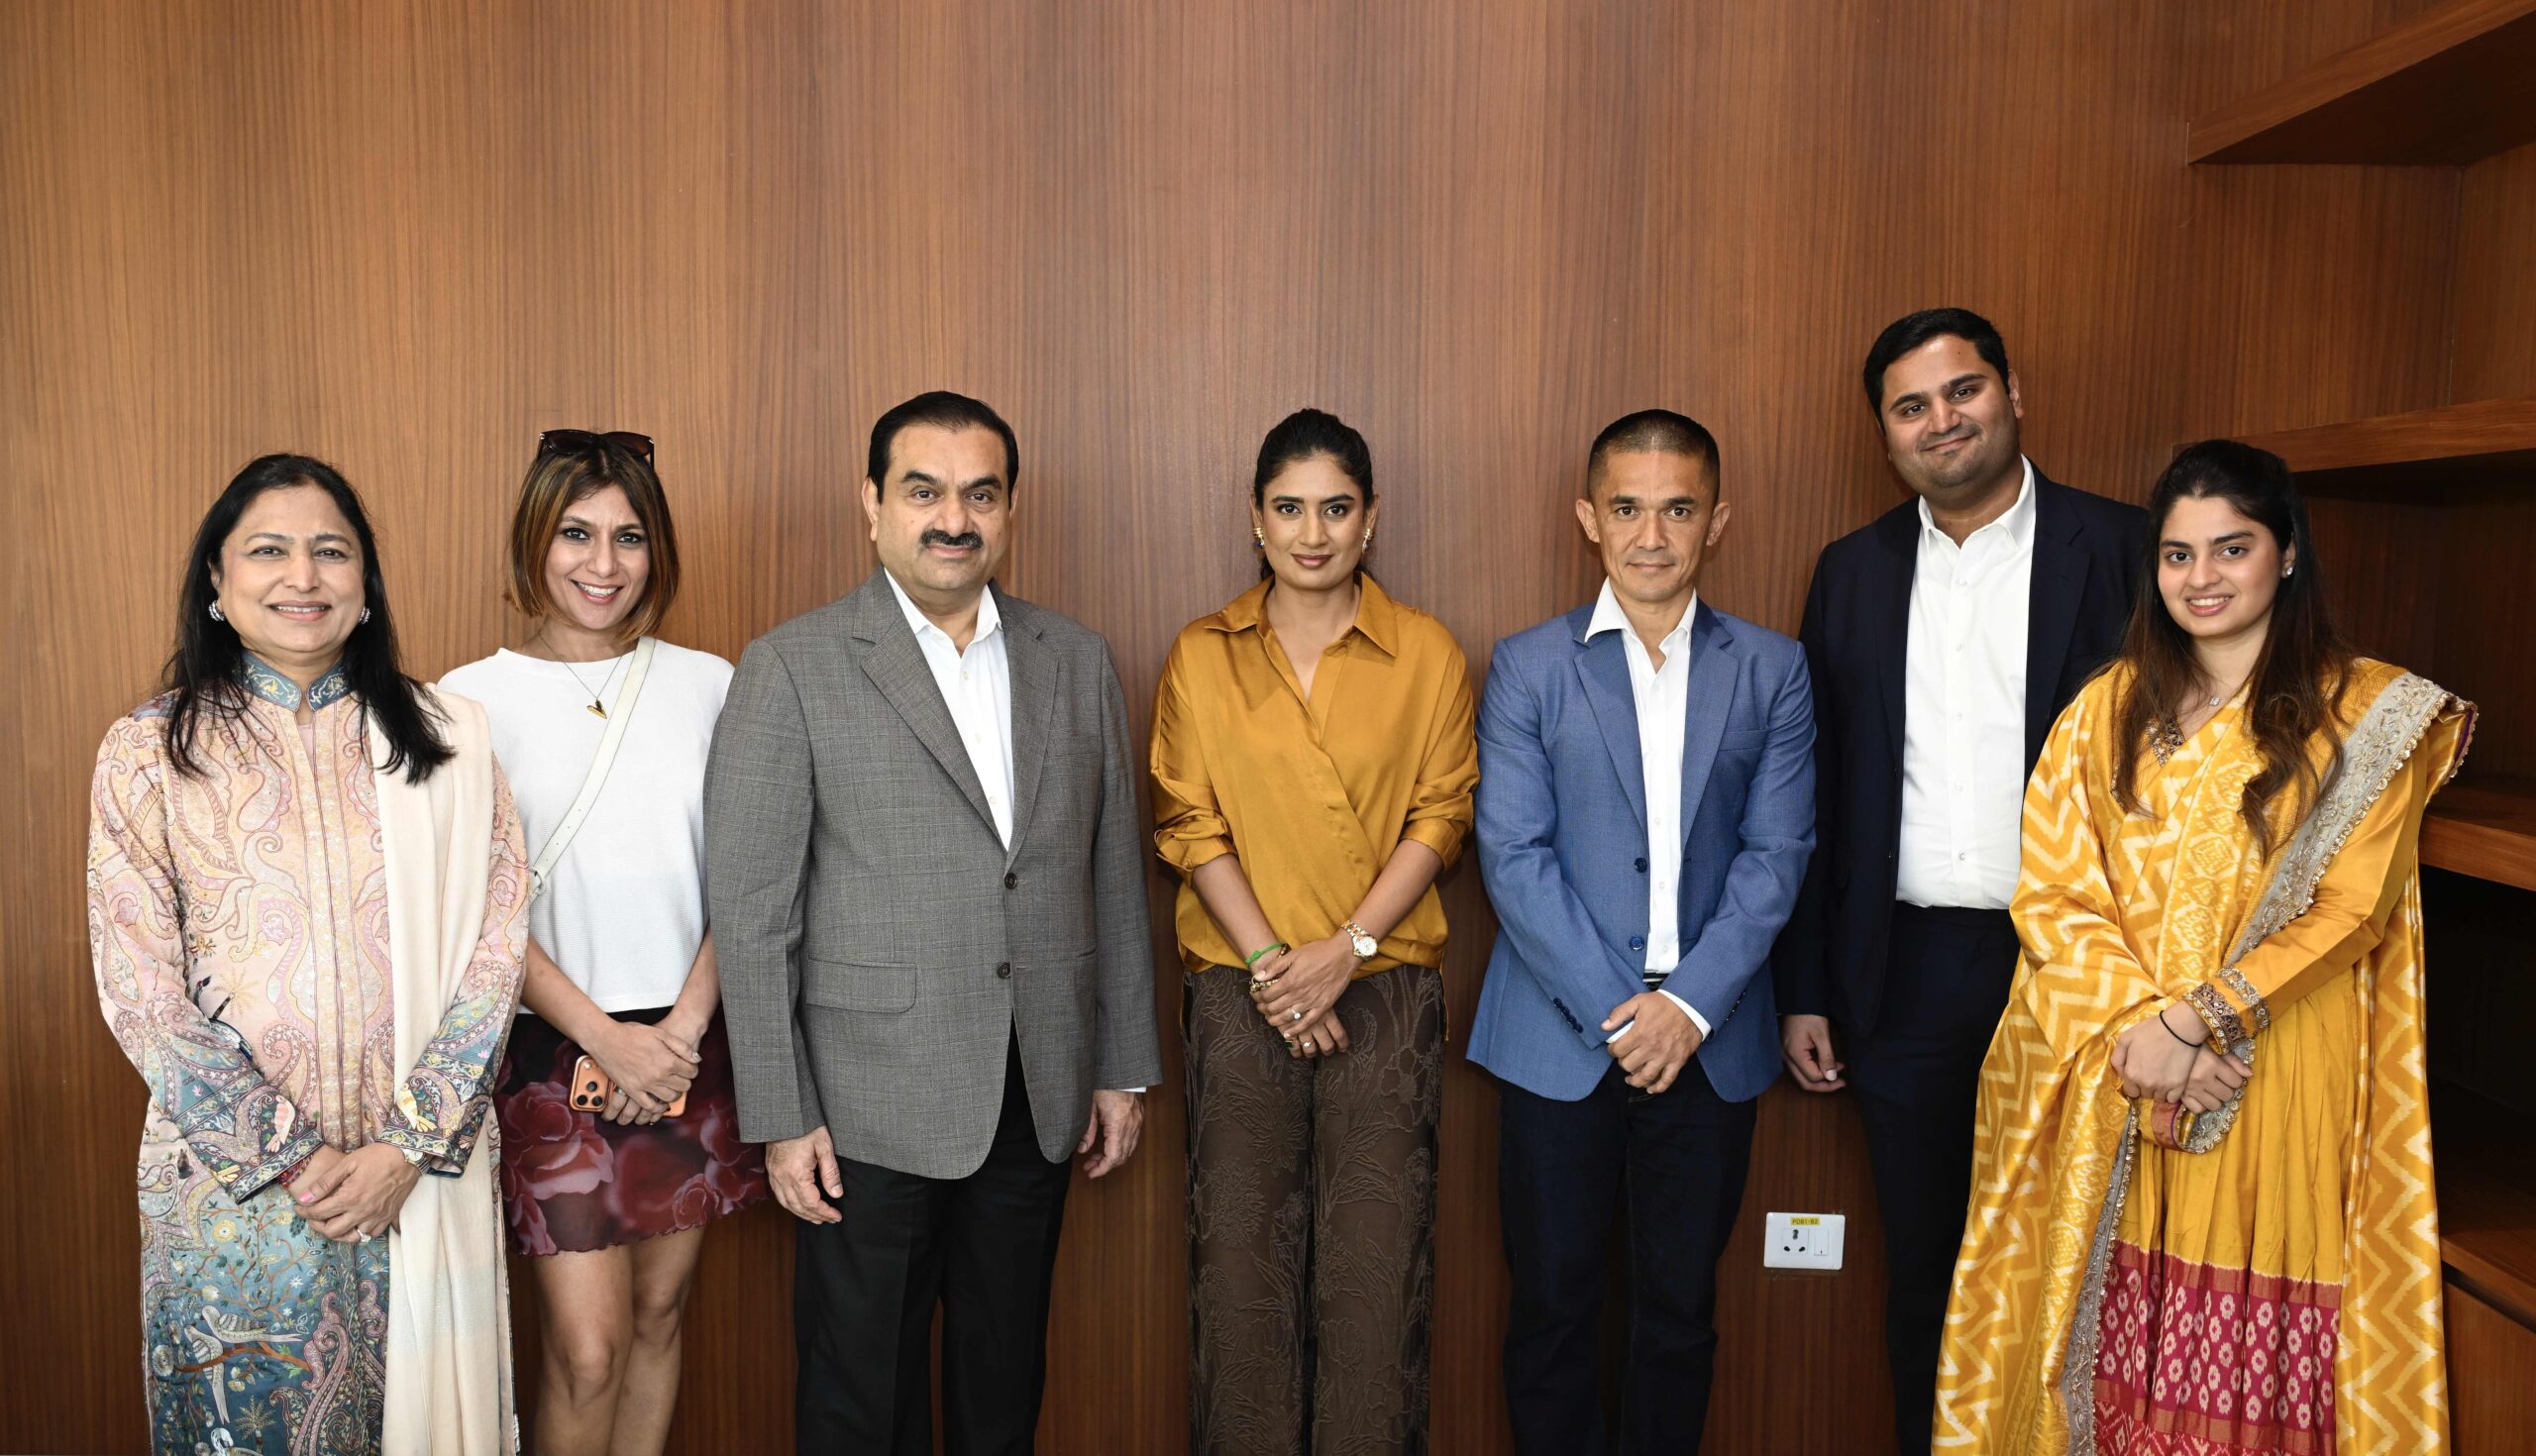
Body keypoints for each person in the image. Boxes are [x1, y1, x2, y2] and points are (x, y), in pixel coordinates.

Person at [1936, 441, 2472, 1453]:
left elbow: (2350, 911)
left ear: (2287, 552)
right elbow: (2053, 892)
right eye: (2178, 555)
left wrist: (2195, 1024)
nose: (2202, 578)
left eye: (2232, 548)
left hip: (2269, 1068)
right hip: (2117, 1070)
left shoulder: (2366, 713)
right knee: (2114, 1349)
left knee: (2234, 1358)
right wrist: (2146, 1032)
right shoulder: (2107, 708)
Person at [704, 390, 1164, 1456]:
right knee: (861, 1403)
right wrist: (780, 1114)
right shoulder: (793, 665)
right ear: (871, 504)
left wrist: (1121, 1067)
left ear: (1009, 511)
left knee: (1004, 1392)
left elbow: (1110, 873)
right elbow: (754, 912)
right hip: (863, 1107)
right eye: (923, 492)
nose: (953, 519)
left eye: (979, 495)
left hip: (1035, 1088)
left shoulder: (1074, 658)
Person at [88, 455, 527, 1455]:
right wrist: (292, 1159)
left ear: (366, 584)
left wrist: (406, 1148)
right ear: (217, 578)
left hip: (418, 1179)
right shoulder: (148, 753)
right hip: (233, 1200)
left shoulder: (449, 743)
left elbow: (496, 952)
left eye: (331, 551)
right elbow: (141, 992)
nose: (303, 576)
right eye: (268, 551)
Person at [1769, 306, 2144, 1451]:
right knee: (1928, 1266)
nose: (1941, 420)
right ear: (1885, 435)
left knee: (2087, 1260)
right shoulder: (1852, 573)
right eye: (1910, 407)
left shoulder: (2127, 549)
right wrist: (1805, 986)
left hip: (2083, 969)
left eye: (1962, 390)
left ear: (2010, 393)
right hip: (1907, 974)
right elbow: (1818, 792)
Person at [1468, 410, 1815, 1455]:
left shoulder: (1772, 669)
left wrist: (1687, 1008)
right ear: (1589, 518)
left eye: (1677, 509)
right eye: (1626, 508)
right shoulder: (1528, 666)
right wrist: (1624, 1017)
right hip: (1556, 1038)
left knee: (1677, 1316)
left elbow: (1776, 856)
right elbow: (1513, 856)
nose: (1651, 536)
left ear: (1718, 521)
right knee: (1552, 1310)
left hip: (1710, 1042)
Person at [1151, 408, 1478, 1455]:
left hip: (1383, 990)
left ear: (1370, 518)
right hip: (1239, 992)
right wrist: (1272, 966)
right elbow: (1188, 821)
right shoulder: (1203, 653)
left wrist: (1345, 953)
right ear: (1256, 519)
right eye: (1288, 508)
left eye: (1336, 508)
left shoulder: (1425, 651)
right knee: (1237, 1271)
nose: (1312, 532)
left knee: (1377, 1275)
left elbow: (1442, 814)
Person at [440, 430, 769, 1456]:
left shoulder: (711, 684)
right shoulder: (462, 702)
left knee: (660, 1317)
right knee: (588, 1348)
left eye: (629, 537)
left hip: (689, 1039)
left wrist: (679, 1031)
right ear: (533, 541)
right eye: (576, 534)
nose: (603, 563)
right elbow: (473, 906)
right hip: (550, 1050)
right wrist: (604, 1039)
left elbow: (750, 875)